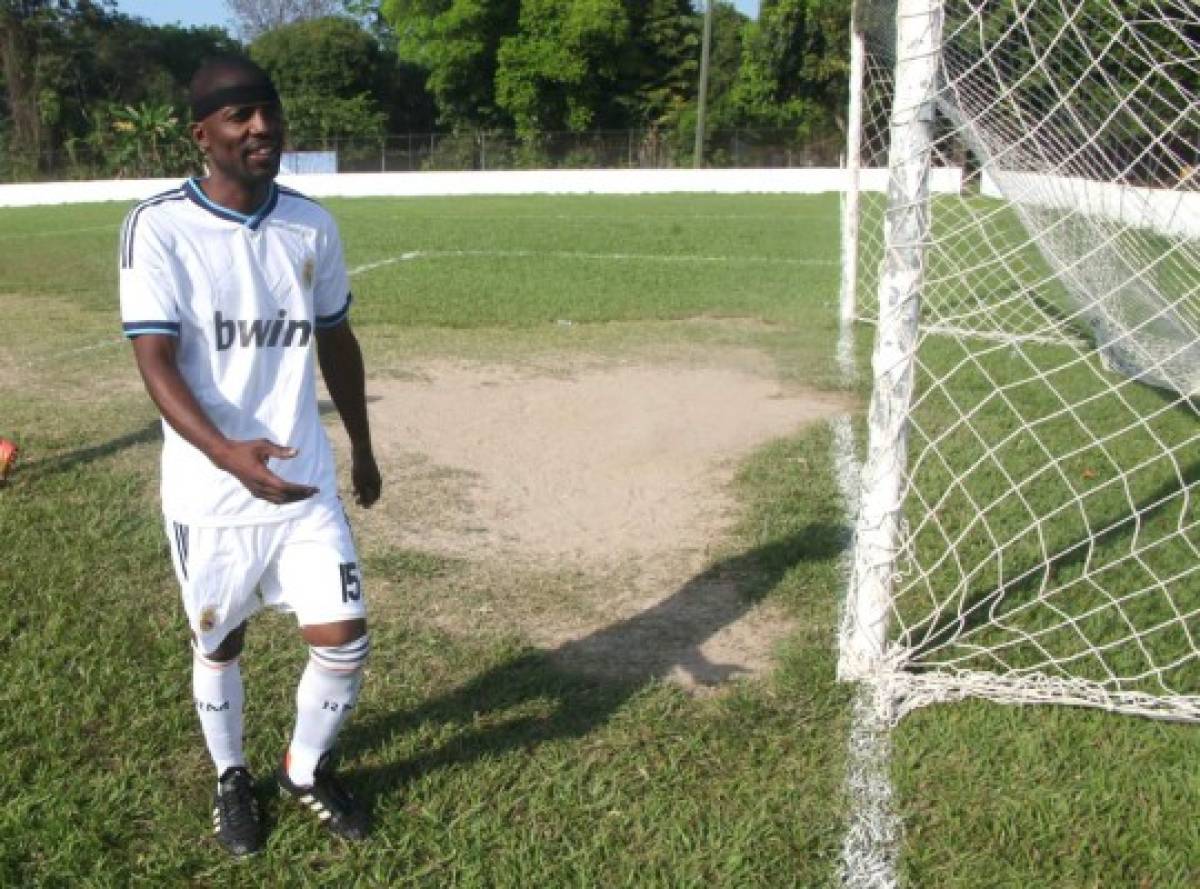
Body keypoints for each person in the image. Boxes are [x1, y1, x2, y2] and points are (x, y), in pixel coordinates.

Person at [119, 56, 382, 856]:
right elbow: (156, 363)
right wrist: (227, 453)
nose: (261, 126)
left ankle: (303, 767)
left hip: (302, 481)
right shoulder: (160, 227)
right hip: (211, 494)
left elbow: (336, 339)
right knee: (220, 643)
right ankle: (232, 776)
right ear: (203, 135)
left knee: (346, 639)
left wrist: (364, 446)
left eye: (268, 111)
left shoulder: (312, 225)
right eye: (239, 116)